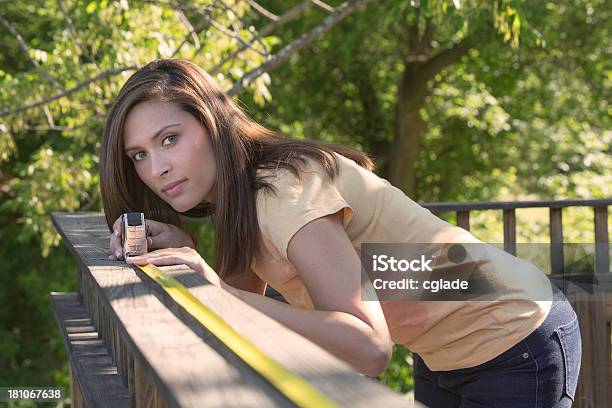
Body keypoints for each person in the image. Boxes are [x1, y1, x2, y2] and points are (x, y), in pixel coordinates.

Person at [100, 59, 581, 407]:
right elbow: (240, 308)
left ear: (212, 126)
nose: (156, 168)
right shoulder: (238, 201)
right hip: (442, 350)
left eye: (169, 139)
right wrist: (187, 257)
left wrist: (213, 289)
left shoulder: (283, 191)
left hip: (514, 333)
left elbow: (369, 350)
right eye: (138, 155)